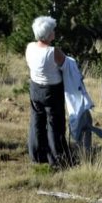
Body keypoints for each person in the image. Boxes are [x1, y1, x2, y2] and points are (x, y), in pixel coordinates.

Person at [26, 16, 69, 166]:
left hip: (35, 87)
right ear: (48, 34)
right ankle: (57, 158)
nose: (54, 32)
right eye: (53, 30)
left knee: (36, 121)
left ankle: (37, 154)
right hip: (52, 90)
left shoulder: (30, 47)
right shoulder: (53, 51)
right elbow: (65, 64)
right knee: (54, 124)